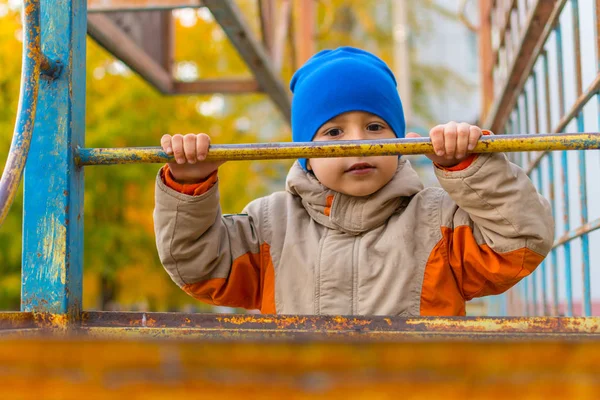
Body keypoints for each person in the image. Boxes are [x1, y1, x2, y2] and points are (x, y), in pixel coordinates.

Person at [153, 47, 554, 316]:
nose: (359, 143)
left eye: (376, 126)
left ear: (399, 139)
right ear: (304, 150)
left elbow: (520, 242)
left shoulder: (439, 221)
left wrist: (469, 167)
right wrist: (189, 185)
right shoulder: (269, 224)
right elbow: (196, 265)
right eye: (332, 133)